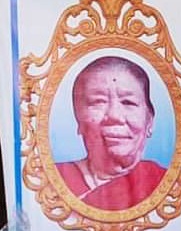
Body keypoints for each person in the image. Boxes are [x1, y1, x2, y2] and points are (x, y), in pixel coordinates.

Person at [53, 54, 169, 210]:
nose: (114, 115)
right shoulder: (53, 183)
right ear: (78, 119)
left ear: (149, 121)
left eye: (128, 102)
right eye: (98, 102)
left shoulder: (167, 185)